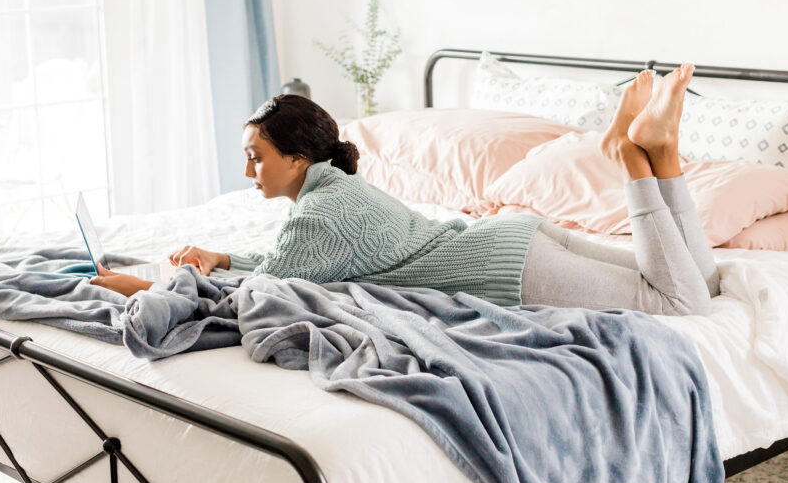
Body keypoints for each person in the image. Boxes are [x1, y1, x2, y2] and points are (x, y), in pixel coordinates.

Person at [92, 64, 717, 316]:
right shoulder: (332, 193)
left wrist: (147, 286)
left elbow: (265, 292)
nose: (247, 171)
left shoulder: (322, 213)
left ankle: (635, 157)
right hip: (518, 239)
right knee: (702, 282)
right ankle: (659, 154)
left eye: (256, 158)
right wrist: (223, 256)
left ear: (299, 156)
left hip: (509, 268)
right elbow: (288, 266)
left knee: (680, 305)